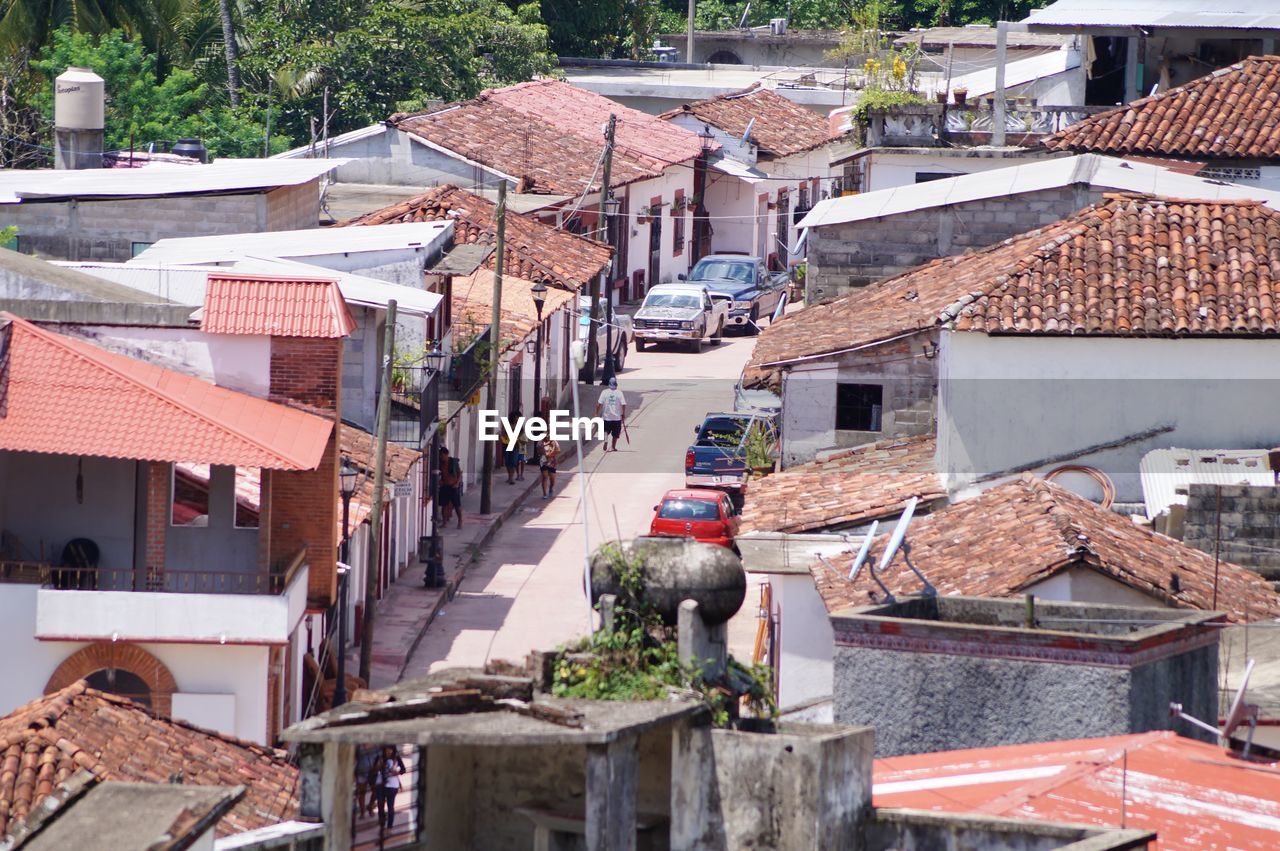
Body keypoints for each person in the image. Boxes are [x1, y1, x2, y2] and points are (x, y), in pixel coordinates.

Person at [374, 744, 406, 831]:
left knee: (390, 807)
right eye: (387, 749)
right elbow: (374, 770)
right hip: (380, 784)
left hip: (392, 785)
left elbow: (403, 770)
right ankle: (382, 825)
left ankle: (389, 828)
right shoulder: (380, 757)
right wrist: (378, 765)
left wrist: (397, 772)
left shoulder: (396, 758)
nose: (389, 751)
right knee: (380, 805)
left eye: (391, 749)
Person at [595, 377, 626, 452]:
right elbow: (623, 404)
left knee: (605, 431)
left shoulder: (604, 392)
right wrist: (623, 414)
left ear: (609, 384)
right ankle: (613, 447)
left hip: (606, 417)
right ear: (616, 384)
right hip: (617, 418)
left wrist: (596, 413)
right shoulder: (619, 393)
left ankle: (606, 440)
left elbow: (599, 404)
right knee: (615, 434)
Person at [438, 446, 463, 529]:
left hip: (453, 486)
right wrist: (440, 481)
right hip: (445, 486)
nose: (441, 457)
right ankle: (444, 523)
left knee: (456, 505)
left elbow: (459, 474)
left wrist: (457, 483)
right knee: (444, 505)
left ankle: (460, 521)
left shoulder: (453, 462)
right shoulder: (440, 463)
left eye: (442, 456)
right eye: (440, 456)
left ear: (446, 455)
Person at [355, 744, 377, 817]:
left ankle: (370, 806)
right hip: (361, 771)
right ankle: (362, 812)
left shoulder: (375, 745)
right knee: (361, 793)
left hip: (373, 772)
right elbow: (354, 758)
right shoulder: (358, 746)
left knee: (376, 791)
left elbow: (380, 757)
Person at [539, 435, 559, 500]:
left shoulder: (554, 442)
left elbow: (557, 451)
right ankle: (544, 494)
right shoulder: (540, 443)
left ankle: (550, 488)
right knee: (545, 476)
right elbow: (539, 452)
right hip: (543, 461)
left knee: (552, 478)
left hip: (552, 461)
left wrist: (553, 458)